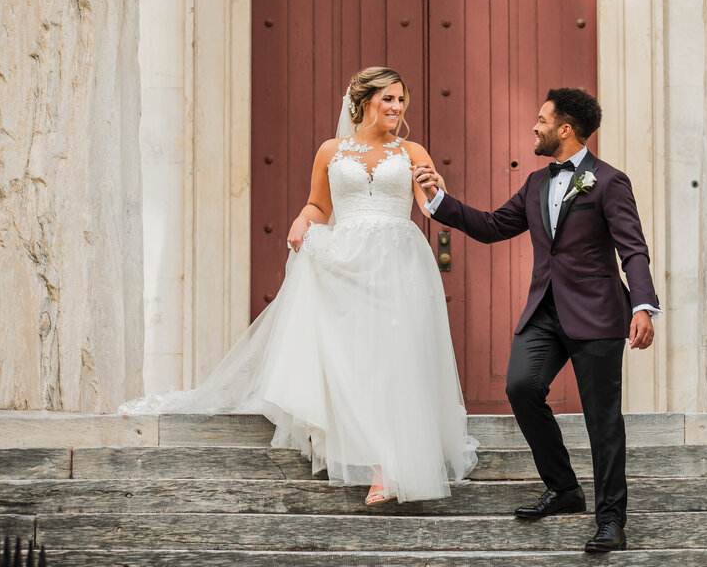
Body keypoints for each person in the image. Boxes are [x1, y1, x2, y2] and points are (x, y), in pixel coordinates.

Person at [121, 67, 477, 505]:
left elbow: (428, 206)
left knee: (394, 359)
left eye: (401, 100)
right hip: (344, 262)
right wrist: (300, 218)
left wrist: (436, 188)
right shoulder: (331, 150)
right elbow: (319, 205)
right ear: (364, 101)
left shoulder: (413, 150)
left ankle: (388, 467)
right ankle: (362, 449)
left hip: (397, 262)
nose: (397, 108)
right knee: (353, 360)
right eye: (388, 99)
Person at [411, 87, 658, 552]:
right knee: (521, 388)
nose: (534, 126)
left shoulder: (608, 181)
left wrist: (643, 304)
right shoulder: (535, 184)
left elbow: (633, 248)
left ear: (565, 128)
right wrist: (439, 200)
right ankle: (564, 488)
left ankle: (611, 519)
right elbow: (491, 227)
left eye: (542, 120)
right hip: (544, 313)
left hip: (598, 314)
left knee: (602, 419)